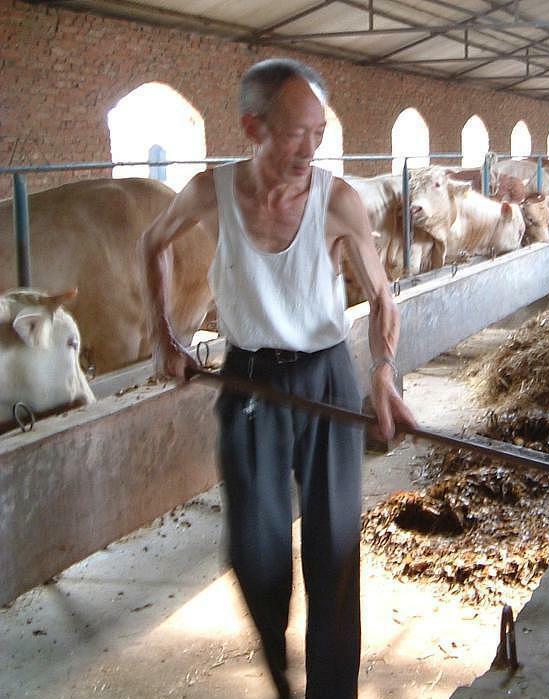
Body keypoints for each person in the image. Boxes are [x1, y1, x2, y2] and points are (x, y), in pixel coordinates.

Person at [141, 58, 416, 699]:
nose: (311, 148)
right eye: (297, 132)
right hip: (250, 384)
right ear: (252, 127)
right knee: (256, 553)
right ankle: (278, 669)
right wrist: (164, 339)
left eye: (319, 132)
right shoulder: (212, 193)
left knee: (333, 552)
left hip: (325, 380)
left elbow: (382, 296)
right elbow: (151, 240)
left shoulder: (336, 200)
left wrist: (381, 372)